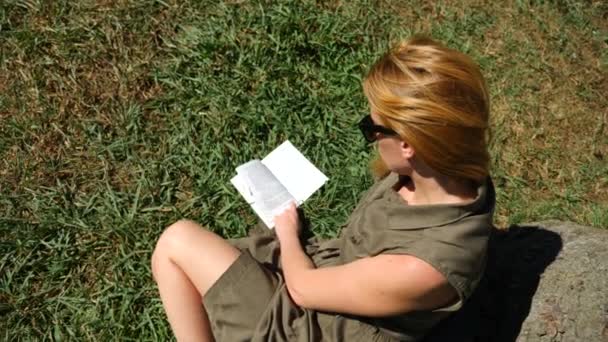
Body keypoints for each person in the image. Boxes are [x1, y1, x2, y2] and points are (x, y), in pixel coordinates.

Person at [151, 36, 495, 342]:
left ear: (407, 144)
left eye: (372, 127)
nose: (371, 136)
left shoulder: (422, 268)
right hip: (329, 283)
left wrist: (287, 233)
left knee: (175, 243)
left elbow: (302, 290)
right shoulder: (450, 174)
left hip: (311, 326)